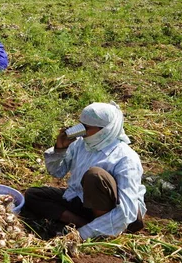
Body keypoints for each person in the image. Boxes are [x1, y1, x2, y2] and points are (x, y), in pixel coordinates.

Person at [23, 102, 146, 240]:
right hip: (82, 200)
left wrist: (81, 235)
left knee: (95, 176)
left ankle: (103, 231)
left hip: (113, 211)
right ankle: (85, 223)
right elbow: (57, 172)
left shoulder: (125, 158)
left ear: (105, 130)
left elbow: (126, 211)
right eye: (80, 125)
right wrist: (60, 149)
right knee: (33, 195)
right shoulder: (81, 143)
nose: (81, 131)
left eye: (86, 127)